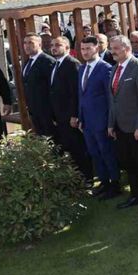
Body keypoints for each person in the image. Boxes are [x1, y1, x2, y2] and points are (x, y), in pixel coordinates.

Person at [107, 35, 138, 212]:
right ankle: (136, 195)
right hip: (120, 127)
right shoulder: (114, 69)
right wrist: (111, 124)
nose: (112, 52)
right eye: (111, 48)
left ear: (127, 49)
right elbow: (113, 100)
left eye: (116, 48)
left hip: (136, 128)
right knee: (128, 163)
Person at [77, 36, 121, 199]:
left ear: (96, 48)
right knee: (94, 153)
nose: (85, 52)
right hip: (87, 121)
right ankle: (104, 182)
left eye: (88, 48)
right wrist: (81, 118)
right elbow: (81, 96)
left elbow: (111, 98)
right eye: (82, 49)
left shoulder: (105, 68)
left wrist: (110, 122)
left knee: (107, 152)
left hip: (102, 120)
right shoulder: (82, 69)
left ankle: (115, 184)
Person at [48, 36, 92, 182]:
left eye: (58, 45)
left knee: (78, 148)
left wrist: (74, 115)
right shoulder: (56, 64)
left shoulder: (72, 64)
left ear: (67, 48)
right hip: (60, 115)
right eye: (52, 45)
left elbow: (76, 92)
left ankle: (87, 179)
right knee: (68, 148)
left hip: (70, 116)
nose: (54, 47)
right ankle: (75, 179)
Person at [21, 32, 58, 137]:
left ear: (39, 44)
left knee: (52, 139)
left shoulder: (47, 61)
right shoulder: (28, 61)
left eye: (31, 43)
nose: (27, 46)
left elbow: (53, 87)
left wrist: (53, 113)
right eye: (25, 43)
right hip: (34, 109)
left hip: (47, 110)